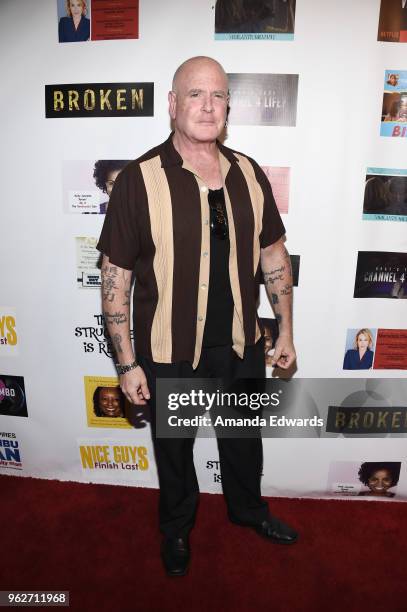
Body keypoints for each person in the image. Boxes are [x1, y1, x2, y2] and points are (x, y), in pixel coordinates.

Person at [97, 56, 298, 577]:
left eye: (218, 96)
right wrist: (126, 364)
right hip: (169, 351)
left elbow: (273, 256)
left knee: (242, 440)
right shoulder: (139, 181)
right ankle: (177, 530)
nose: (208, 106)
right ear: (172, 104)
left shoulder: (249, 174)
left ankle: (249, 511)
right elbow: (114, 280)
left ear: (229, 105)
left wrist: (286, 330)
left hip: (241, 344)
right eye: (195, 94)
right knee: (175, 452)